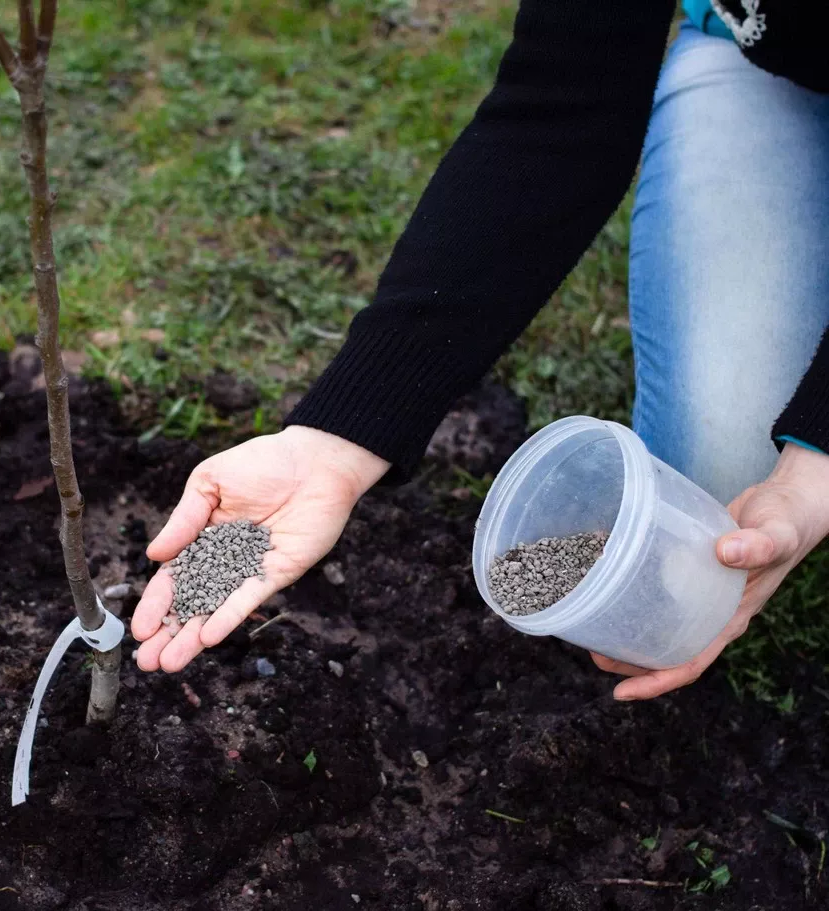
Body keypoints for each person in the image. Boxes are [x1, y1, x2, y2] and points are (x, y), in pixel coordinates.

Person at [131, 0, 829, 699]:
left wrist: (815, 468)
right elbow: (560, 114)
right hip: (779, 73)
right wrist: (339, 437)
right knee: (718, 496)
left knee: (773, 490)